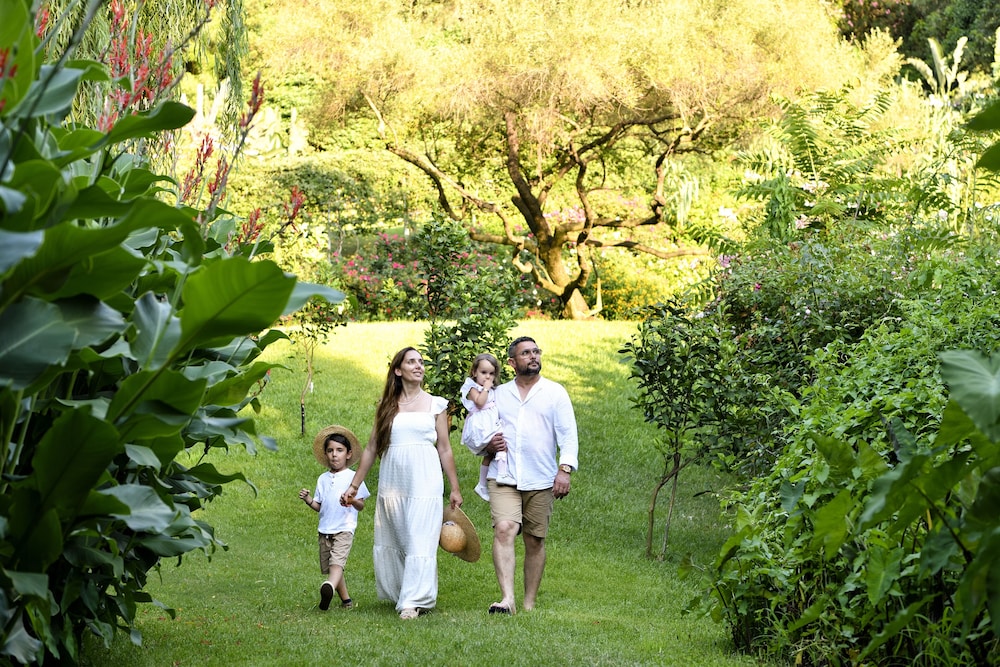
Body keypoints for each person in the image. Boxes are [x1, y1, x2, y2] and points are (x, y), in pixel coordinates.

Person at [340, 347, 464, 620]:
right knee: (397, 535)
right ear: (398, 370)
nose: (419, 366)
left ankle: (414, 600)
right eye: (411, 362)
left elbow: (445, 449)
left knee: (421, 537)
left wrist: (454, 488)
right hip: (394, 480)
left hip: (425, 479)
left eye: (421, 362)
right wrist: (354, 485)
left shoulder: (436, 405)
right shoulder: (387, 406)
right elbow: (372, 447)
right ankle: (402, 592)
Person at [483, 336, 578, 615]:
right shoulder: (498, 394)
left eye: (536, 351)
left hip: (541, 477)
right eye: (526, 353)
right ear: (512, 362)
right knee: (504, 529)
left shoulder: (555, 392)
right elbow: (478, 429)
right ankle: (507, 599)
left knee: (534, 540)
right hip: (504, 475)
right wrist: (487, 445)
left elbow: (568, 435)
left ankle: (529, 603)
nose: (533, 356)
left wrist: (564, 470)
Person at [298, 425, 370, 611]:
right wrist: (308, 500)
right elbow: (319, 506)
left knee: (336, 564)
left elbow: (361, 505)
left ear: (348, 454)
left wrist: (352, 500)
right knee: (333, 568)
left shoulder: (353, 478)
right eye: (330, 450)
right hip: (324, 530)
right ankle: (346, 601)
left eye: (339, 450)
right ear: (325, 454)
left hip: (344, 528)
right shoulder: (322, 479)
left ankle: (329, 586)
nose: (334, 454)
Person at [460, 352, 516, 501]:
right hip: (481, 425)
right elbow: (480, 402)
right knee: (500, 443)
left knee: (491, 453)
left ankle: (482, 484)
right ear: (474, 372)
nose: (487, 377)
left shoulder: (493, 389)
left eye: (491, 374)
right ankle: (502, 474)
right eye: (483, 372)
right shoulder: (472, 387)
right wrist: (485, 388)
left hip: (491, 422)